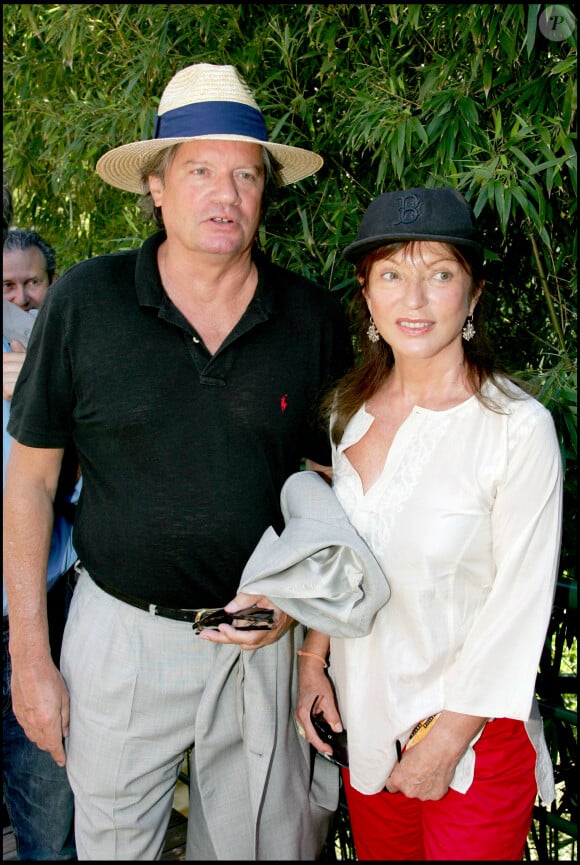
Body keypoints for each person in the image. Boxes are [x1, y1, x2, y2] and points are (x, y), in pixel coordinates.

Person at [3, 63, 352, 860]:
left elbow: (333, 485)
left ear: (265, 190)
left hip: (258, 646)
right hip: (120, 639)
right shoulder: (84, 302)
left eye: (245, 174)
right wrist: (31, 657)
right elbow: (28, 482)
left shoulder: (309, 316)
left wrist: (297, 618)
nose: (224, 193)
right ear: (156, 185)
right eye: (199, 170)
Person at [294, 187, 563, 861]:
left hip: (471, 739)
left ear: (472, 296)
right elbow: (342, 557)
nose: (413, 299)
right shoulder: (345, 414)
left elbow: (519, 608)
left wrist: (445, 741)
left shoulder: (515, 428)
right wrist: (313, 663)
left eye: (439, 273)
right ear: (366, 292)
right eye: (391, 274)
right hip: (367, 723)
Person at [3, 228, 78, 860]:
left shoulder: (72, 358)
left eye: (33, 283)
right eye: (6, 287)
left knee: (51, 831)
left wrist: (40, 396)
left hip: (45, 619)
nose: (22, 299)